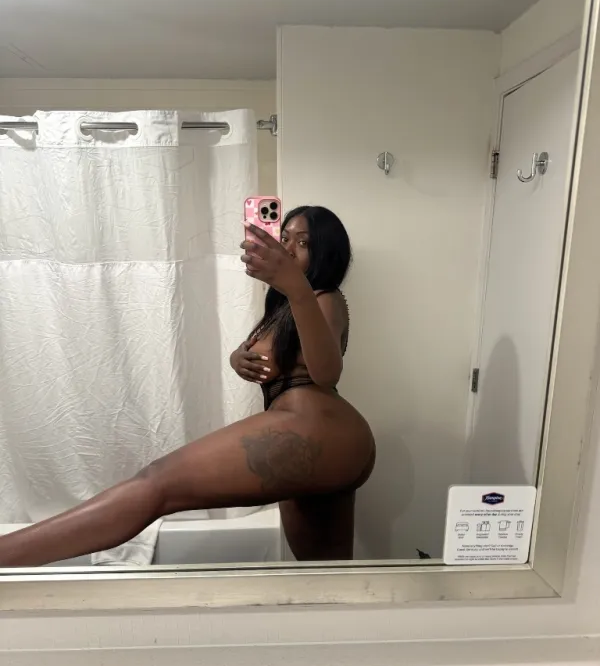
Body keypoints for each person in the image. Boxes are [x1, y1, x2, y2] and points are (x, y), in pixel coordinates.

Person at [0, 205, 375, 567]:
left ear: (326, 253)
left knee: (156, 484)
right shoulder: (284, 308)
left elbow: (326, 373)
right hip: (320, 441)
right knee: (325, 572)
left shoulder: (324, 298)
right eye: (285, 237)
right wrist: (238, 358)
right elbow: (279, 359)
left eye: (303, 242)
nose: (288, 248)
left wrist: (296, 287)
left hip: (317, 429)